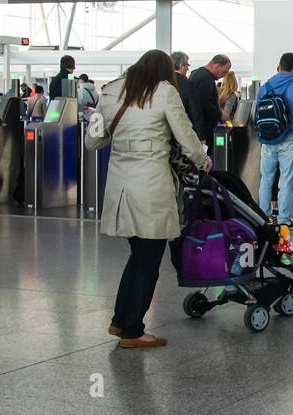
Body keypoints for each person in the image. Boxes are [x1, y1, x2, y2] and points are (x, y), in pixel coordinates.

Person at [85, 49, 210, 348]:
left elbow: (93, 141)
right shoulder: (165, 91)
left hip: (120, 185)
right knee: (149, 260)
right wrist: (201, 158)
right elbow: (185, 133)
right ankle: (133, 331)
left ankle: (119, 321)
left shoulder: (111, 91)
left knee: (138, 255)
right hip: (151, 184)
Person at [255, 52, 293, 225]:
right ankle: (283, 219)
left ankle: (264, 217)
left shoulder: (264, 87)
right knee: (286, 180)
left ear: (279, 65)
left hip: (267, 140)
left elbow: (257, 113)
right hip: (289, 138)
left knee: (267, 179)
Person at [187, 54, 231, 145]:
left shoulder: (198, 73)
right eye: (224, 72)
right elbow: (205, 104)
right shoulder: (205, 78)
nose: (224, 76)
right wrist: (220, 115)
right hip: (203, 130)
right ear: (217, 66)